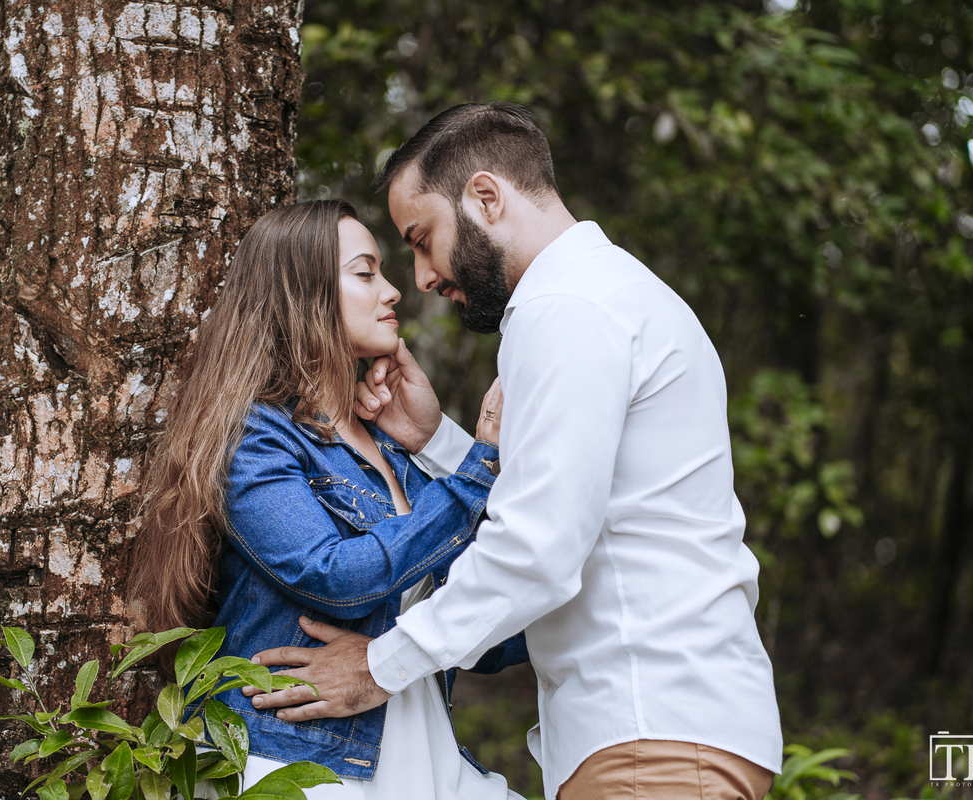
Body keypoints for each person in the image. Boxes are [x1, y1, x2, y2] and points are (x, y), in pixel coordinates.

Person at [244, 103, 784, 800]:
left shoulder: (569, 310)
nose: (421, 278)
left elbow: (537, 547)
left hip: (653, 733)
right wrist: (437, 442)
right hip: (665, 726)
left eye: (421, 238)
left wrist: (380, 665)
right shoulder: (613, 294)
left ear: (487, 198)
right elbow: (570, 503)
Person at [126, 199, 527, 799]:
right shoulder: (258, 438)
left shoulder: (397, 454)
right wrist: (475, 473)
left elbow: (491, 630)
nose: (393, 291)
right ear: (300, 294)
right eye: (365, 273)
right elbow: (331, 575)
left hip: (422, 752)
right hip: (302, 762)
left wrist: (436, 439)